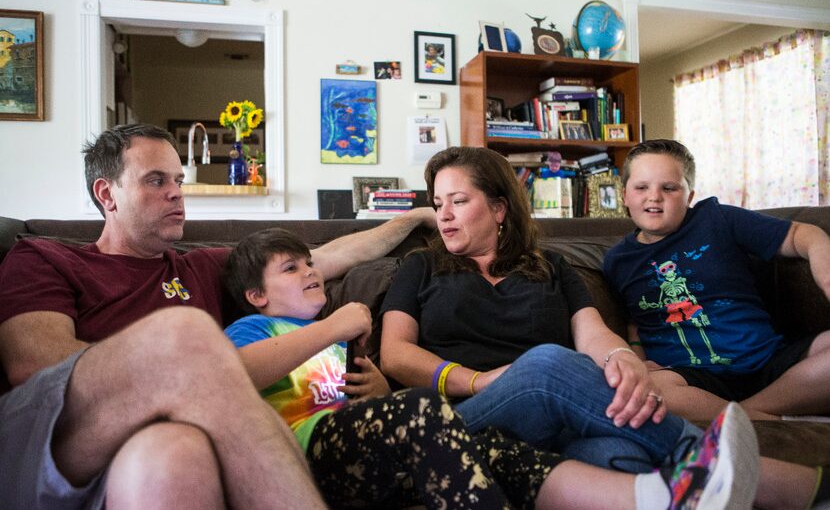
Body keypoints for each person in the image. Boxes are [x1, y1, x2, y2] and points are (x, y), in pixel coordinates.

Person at [0, 123, 435, 509]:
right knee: (186, 336)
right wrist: (176, 370)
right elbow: (36, 364)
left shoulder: (200, 267)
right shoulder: (45, 257)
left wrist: (414, 216)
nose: (175, 192)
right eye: (155, 180)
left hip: (156, 448)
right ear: (106, 193)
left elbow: (326, 257)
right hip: (59, 445)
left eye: (177, 180)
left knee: (175, 455)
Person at [380, 145, 828, 509]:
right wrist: (478, 382)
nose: (443, 215)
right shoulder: (421, 266)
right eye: (438, 204)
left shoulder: (549, 267)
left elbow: (593, 332)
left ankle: (716, 484)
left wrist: (625, 362)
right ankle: (763, 477)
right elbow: (395, 354)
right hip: (468, 414)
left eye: (459, 201)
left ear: (499, 209)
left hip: (556, 424)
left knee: (624, 459)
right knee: (546, 365)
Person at [222, 226, 759, 510]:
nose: (311, 272)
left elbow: (371, 409)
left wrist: (379, 387)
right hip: (306, 457)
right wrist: (334, 328)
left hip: (374, 454)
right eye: (292, 269)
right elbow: (231, 375)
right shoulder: (257, 331)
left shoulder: (340, 341)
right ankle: (693, 454)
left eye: (311, 263)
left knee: (502, 452)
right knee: (424, 410)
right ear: (255, 296)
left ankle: (657, 496)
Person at [603, 139, 830, 424]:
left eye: (669, 188)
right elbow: (632, 321)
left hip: (770, 362)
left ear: (689, 195)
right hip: (691, 378)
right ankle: (777, 419)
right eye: (642, 187)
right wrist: (637, 357)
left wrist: (823, 262)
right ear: (624, 195)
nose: (654, 197)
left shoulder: (717, 218)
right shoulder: (617, 261)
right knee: (647, 389)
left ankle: (747, 415)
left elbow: (802, 234)